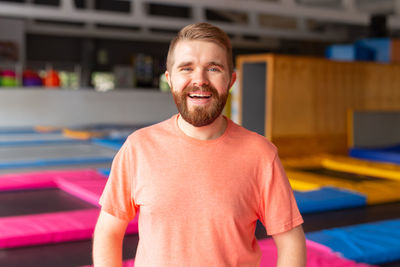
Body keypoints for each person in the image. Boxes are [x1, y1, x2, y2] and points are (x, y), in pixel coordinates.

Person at [92, 22, 306, 267]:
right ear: (170, 80)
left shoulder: (260, 154)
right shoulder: (138, 148)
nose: (200, 80)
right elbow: (109, 231)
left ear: (231, 80)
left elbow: (291, 240)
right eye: (187, 68)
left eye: (213, 69)